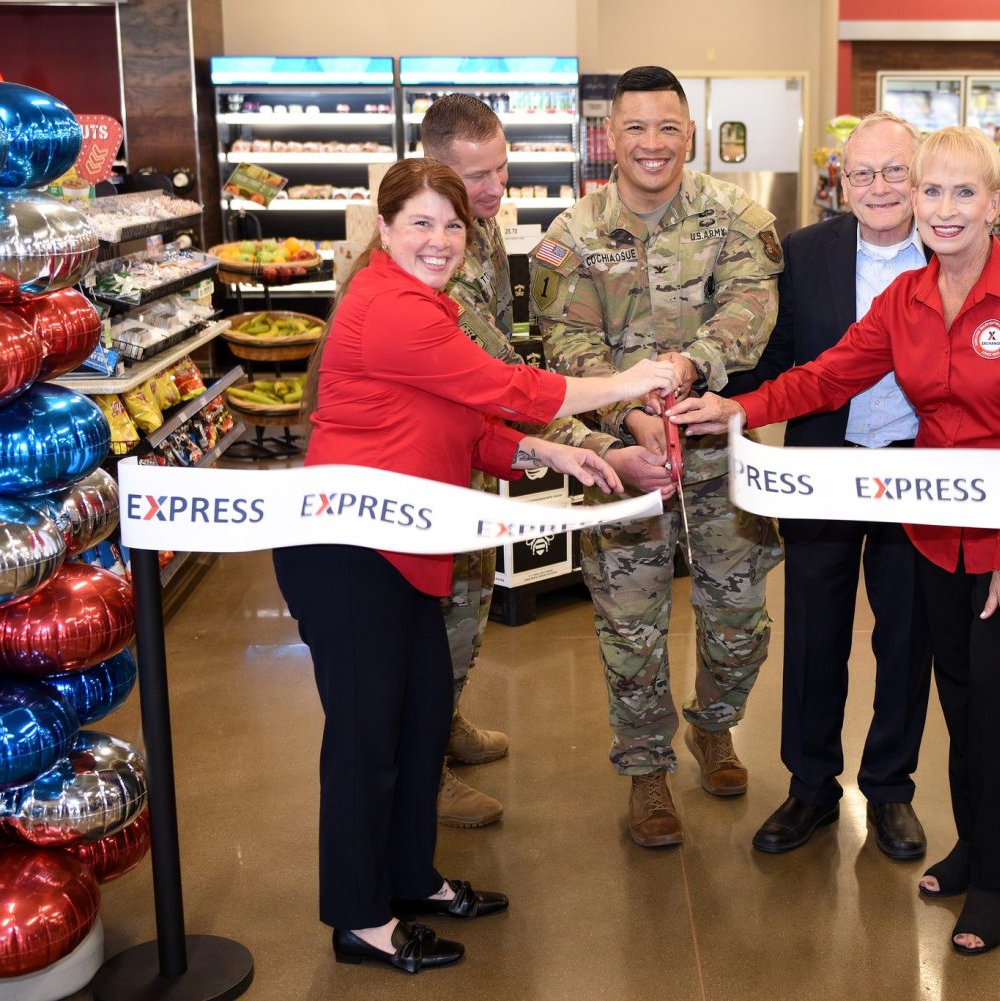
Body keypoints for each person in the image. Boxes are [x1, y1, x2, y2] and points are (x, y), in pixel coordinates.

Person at [670, 126, 1000, 956]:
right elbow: (828, 374)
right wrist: (743, 408)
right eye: (934, 192)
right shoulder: (908, 299)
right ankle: (970, 846)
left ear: (996, 203)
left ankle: (996, 880)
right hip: (932, 534)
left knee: (998, 705)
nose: (945, 207)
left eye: (965, 192)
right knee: (958, 699)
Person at [273, 157, 676, 974]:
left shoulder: (428, 306)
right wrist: (628, 381)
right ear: (383, 231)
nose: (440, 239)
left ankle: (411, 880)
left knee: (420, 725)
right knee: (366, 740)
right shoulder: (389, 307)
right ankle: (360, 917)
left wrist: (553, 458)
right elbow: (507, 384)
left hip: (408, 547)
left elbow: (471, 421)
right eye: (420, 222)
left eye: (452, 225)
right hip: (351, 552)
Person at [530, 65, 784, 848]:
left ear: (690, 135)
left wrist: (688, 366)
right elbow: (563, 343)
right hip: (624, 462)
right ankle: (646, 769)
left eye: (667, 127)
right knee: (631, 623)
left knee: (738, 616)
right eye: (635, 127)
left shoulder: (736, 216)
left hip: (717, 451)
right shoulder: (573, 235)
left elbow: (752, 309)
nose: (651, 143)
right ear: (610, 135)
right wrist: (628, 413)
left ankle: (714, 726)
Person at [420, 94, 673, 829]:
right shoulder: (430, 249)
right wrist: (599, 444)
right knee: (435, 616)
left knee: (469, 600)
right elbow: (501, 375)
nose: (496, 189)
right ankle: (424, 765)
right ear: (433, 170)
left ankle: (449, 717)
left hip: (476, 444)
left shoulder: (486, 229)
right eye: (476, 178)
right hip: (425, 461)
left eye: (502, 168)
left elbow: (507, 339)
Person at [723, 111, 932, 861]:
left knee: (908, 636)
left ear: (921, 176)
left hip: (918, 472)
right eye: (862, 173)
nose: (878, 188)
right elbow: (774, 357)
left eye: (894, 171)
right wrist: (710, 387)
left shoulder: (954, 252)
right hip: (823, 467)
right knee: (814, 635)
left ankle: (891, 790)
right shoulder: (804, 253)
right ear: (841, 181)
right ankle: (810, 786)